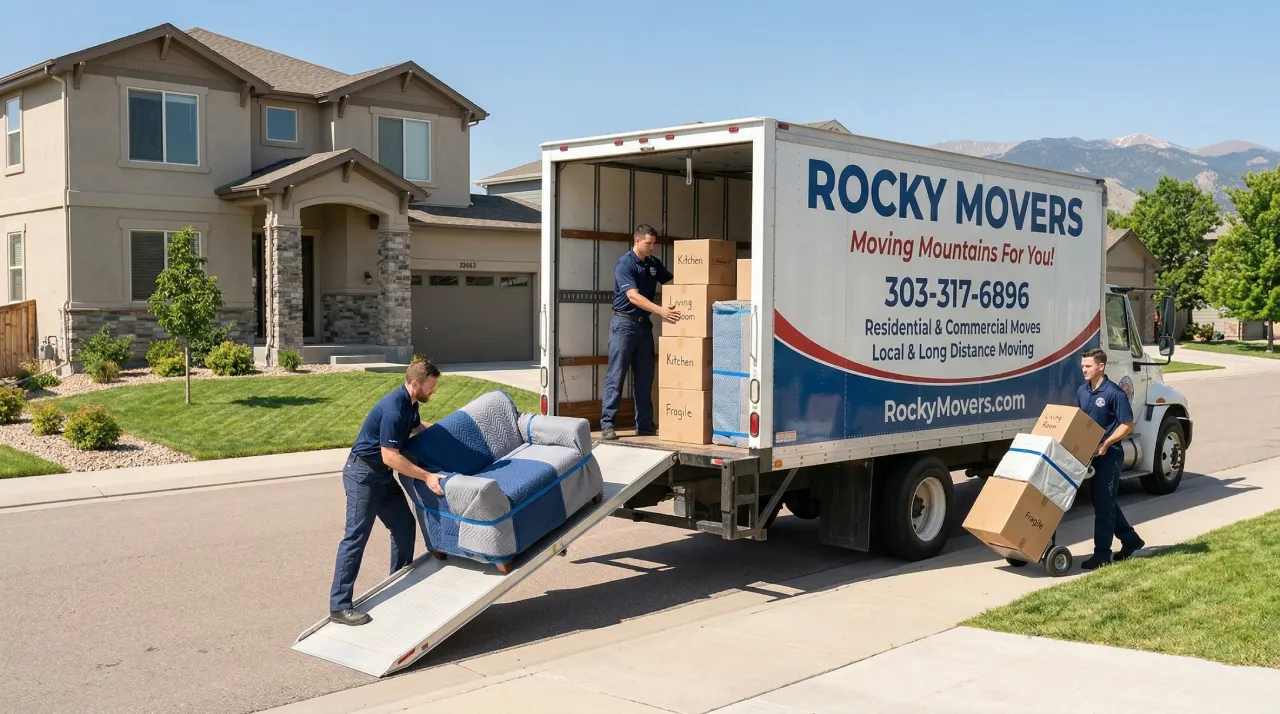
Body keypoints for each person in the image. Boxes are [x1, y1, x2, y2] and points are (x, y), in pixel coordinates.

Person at [328, 359, 447, 625]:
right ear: (415, 384)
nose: (434, 391)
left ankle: (399, 582)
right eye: (431, 386)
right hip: (363, 476)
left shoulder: (411, 403)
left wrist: (446, 429)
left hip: (380, 474)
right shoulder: (394, 409)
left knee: (404, 525)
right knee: (356, 537)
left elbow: (416, 427)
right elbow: (391, 456)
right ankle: (339, 606)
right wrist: (427, 476)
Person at [601, 224, 681, 441]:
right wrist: (661, 310)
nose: (652, 247)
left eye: (654, 243)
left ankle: (645, 425)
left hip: (644, 325)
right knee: (616, 375)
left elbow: (673, 282)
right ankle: (607, 423)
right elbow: (633, 296)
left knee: (645, 377)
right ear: (637, 241)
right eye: (648, 243)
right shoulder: (625, 264)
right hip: (624, 325)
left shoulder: (653, 264)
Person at [1077, 348, 1145, 570]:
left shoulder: (1114, 393)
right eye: (1083, 366)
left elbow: (1127, 424)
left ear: (1101, 366)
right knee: (1101, 501)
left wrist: (1106, 443)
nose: (1084, 369)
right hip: (1090, 454)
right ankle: (1130, 539)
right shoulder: (1083, 392)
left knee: (1104, 504)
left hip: (1110, 454)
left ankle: (1102, 554)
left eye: (1088, 366)